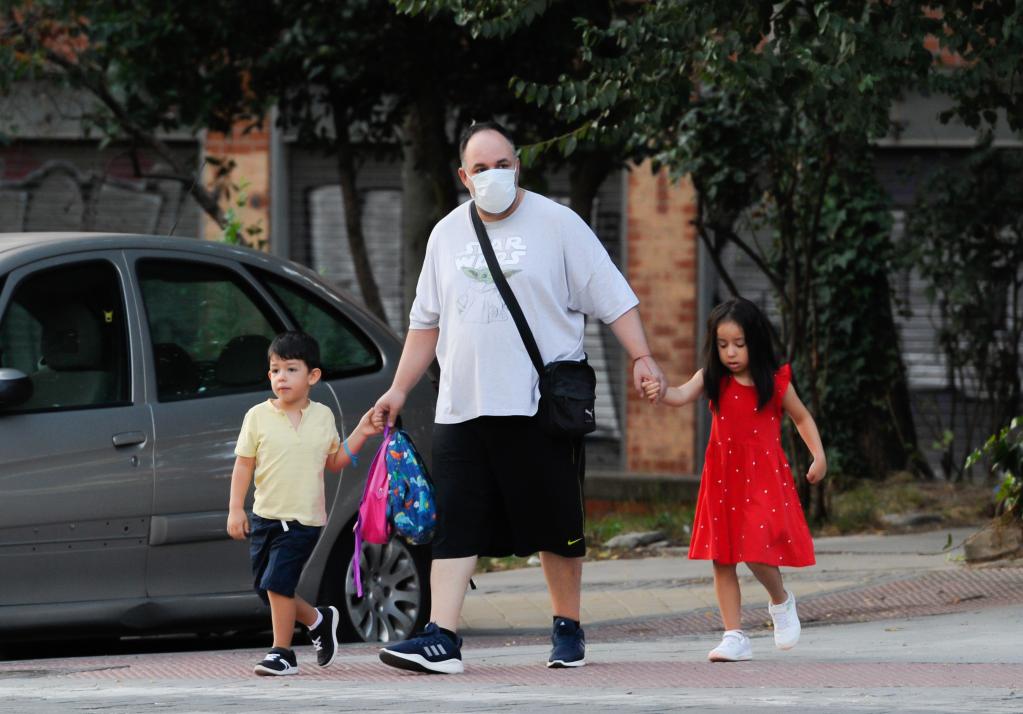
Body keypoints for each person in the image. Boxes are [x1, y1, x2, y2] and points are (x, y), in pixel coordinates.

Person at [373, 121, 667, 674]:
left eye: (502, 165)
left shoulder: (558, 224)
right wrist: (398, 389)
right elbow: (425, 323)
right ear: (464, 177)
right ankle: (441, 637)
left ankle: (567, 628)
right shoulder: (446, 235)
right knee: (456, 523)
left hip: (538, 406)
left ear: (519, 166)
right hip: (462, 405)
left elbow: (613, 296)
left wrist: (642, 357)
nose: (493, 176)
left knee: (555, 521)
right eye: (480, 168)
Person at [642, 297, 826, 662]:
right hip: (723, 479)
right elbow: (679, 395)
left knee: (756, 547)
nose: (730, 353)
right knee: (722, 557)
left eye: (739, 344)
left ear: (755, 341)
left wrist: (818, 455)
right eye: (723, 344)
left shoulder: (774, 382)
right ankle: (734, 635)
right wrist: (661, 390)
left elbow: (802, 417)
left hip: (762, 478)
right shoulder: (713, 378)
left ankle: (781, 601)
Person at [227, 330, 381, 676]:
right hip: (265, 517)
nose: (281, 377)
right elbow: (244, 464)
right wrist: (236, 508)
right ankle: (318, 619)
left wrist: (362, 431)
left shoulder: (322, 416)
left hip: (303, 521)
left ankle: (281, 653)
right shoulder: (257, 416)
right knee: (266, 588)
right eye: (275, 370)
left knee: (277, 584)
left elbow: (335, 461)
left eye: (291, 369)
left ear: (313, 376)